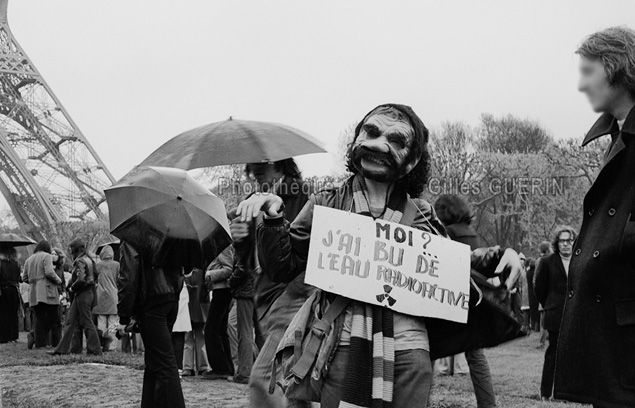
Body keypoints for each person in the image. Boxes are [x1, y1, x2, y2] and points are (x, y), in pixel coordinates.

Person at [235, 104, 522, 408]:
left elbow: (448, 265)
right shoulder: (326, 202)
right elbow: (282, 266)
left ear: (412, 161)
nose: (379, 144)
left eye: (396, 140)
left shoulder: (421, 212)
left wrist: (501, 256)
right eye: (371, 132)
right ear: (357, 138)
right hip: (340, 345)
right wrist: (274, 220)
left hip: (410, 352)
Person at [554, 26, 635, 408]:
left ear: (614, 67)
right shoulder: (617, 137)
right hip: (610, 338)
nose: (581, 86)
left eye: (587, 72)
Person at [239, 158, 312, 408]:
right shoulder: (253, 200)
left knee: (263, 379)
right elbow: (252, 259)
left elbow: (300, 245)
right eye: (253, 170)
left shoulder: (298, 192)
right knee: (292, 384)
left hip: (290, 294)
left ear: (280, 165)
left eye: (262, 167)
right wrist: (240, 240)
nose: (256, 173)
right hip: (266, 297)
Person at [433, 194, 497, 408]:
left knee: (429, 351)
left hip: (449, 299)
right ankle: (488, 404)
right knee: (477, 358)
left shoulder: (446, 233)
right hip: (472, 302)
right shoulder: (472, 234)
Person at [118, 239, 193, 408]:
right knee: (155, 362)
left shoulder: (133, 232)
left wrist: (124, 317)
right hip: (171, 298)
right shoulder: (173, 228)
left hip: (151, 301)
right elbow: (187, 266)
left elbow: (127, 277)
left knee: (165, 365)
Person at [534, 226, 576, 401]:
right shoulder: (547, 262)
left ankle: (566, 393)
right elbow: (539, 289)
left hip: (575, 315)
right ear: (557, 243)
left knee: (571, 354)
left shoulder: (579, 261)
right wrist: (549, 304)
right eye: (562, 241)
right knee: (553, 353)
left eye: (569, 240)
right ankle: (545, 393)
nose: (565, 244)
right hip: (555, 313)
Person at [50, 239, 102, 355]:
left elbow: (81, 279)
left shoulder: (80, 261)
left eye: (71, 249)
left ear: (75, 249)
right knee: (73, 321)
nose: (70, 251)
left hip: (82, 294)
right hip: (87, 293)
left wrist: (72, 288)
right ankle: (68, 349)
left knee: (85, 322)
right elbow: (94, 276)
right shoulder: (89, 260)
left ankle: (94, 350)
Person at [22, 240, 62, 348]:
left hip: (34, 292)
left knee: (39, 318)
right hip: (47, 290)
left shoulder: (29, 259)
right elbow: (49, 272)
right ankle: (40, 338)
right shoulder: (47, 256)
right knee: (54, 317)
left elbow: (24, 278)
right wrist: (59, 281)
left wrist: (33, 281)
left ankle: (39, 342)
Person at [204, 245, 236, 380]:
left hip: (222, 290)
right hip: (221, 290)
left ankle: (220, 368)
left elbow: (228, 270)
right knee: (220, 330)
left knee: (211, 329)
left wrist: (209, 274)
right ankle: (226, 367)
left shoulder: (223, 247)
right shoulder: (221, 247)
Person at [182, 267, 211, 377]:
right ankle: (188, 366)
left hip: (200, 304)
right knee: (188, 335)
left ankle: (202, 365)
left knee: (200, 335)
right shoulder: (184, 271)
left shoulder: (202, 270)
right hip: (187, 304)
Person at [93, 245, 120, 352]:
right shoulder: (117, 265)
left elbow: (93, 280)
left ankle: (102, 344)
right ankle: (112, 346)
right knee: (113, 323)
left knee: (101, 322)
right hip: (114, 296)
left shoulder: (97, 265)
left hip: (100, 296)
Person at [0, 245, 21, 343]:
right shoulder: (17, 264)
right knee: (13, 313)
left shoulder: (1, 263)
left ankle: (4, 337)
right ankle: (13, 336)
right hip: (14, 289)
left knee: (4, 313)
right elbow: (19, 278)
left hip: (3, 289)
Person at [171, 280, 191, 377]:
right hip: (173, 287)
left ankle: (177, 369)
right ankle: (173, 369)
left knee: (178, 333)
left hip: (177, 289)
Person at [534, 241, 552, 349]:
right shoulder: (544, 261)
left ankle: (543, 341)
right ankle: (542, 342)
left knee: (544, 320)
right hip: (548, 296)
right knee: (545, 320)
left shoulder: (540, 261)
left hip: (545, 296)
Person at [525, 257, 539, 332]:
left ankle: (533, 326)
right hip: (535, 292)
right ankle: (537, 327)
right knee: (537, 311)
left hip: (530, 292)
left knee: (532, 310)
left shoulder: (528, 273)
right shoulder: (535, 272)